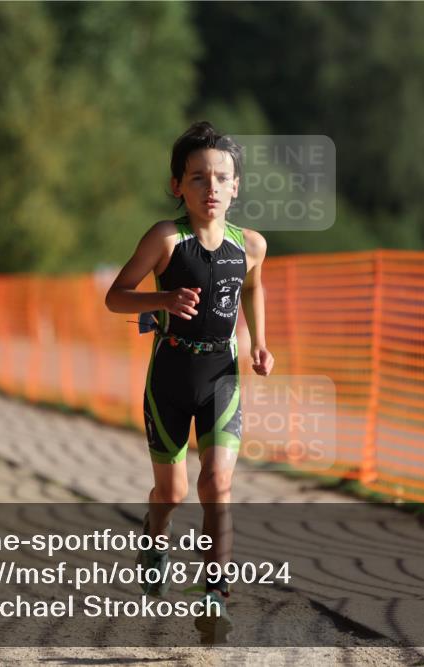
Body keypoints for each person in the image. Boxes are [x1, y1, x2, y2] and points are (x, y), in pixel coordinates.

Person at [105, 121, 273, 636]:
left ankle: (215, 595)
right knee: (173, 492)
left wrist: (260, 341)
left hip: (222, 375)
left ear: (236, 186)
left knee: (217, 482)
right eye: (198, 178)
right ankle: (154, 535)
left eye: (221, 177)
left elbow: (252, 288)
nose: (211, 188)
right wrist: (163, 299)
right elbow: (116, 296)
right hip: (170, 376)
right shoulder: (165, 238)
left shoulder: (251, 245)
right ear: (177, 185)